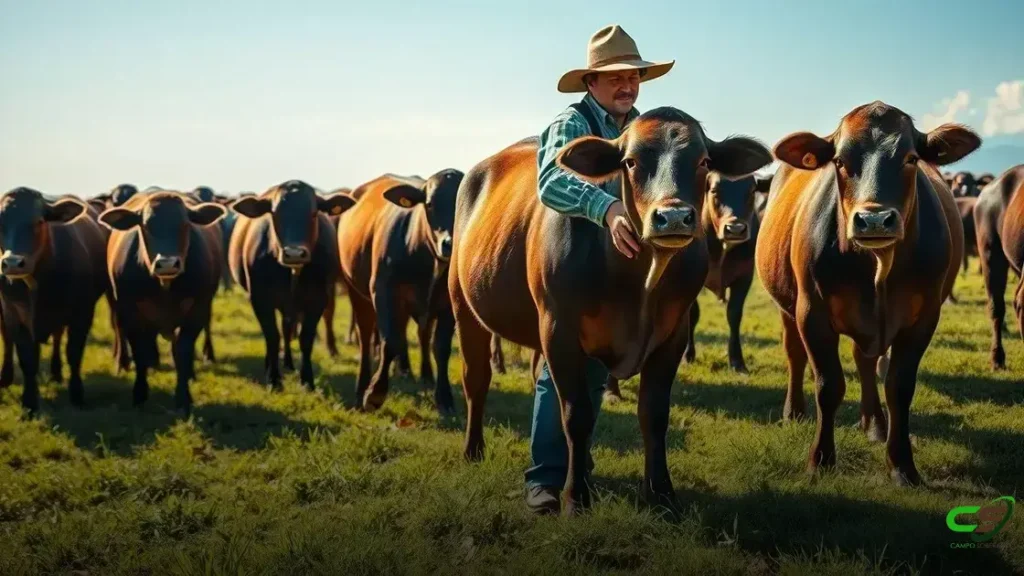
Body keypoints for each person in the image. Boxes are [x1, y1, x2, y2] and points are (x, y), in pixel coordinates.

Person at [526, 24, 675, 514]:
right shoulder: (572, 123)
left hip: (624, 272)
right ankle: (546, 479)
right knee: (563, 371)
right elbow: (550, 180)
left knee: (587, 378)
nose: (627, 85)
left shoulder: (644, 129)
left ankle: (577, 469)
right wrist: (606, 208)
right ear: (590, 82)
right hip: (572, 266)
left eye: (633, 76)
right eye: (614, 78)